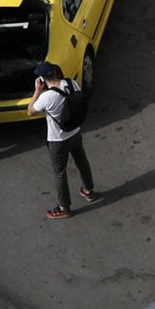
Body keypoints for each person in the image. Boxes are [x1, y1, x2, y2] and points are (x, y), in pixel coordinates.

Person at [36, 62, 97, 217]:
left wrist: (37, 91)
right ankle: (88, 190)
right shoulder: (72, 83)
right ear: (56, 73)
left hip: (57, 139)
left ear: (43, 79)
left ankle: (64, 208)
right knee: (82, 161)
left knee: (59, 173)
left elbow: (30, 111)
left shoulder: (47, 97)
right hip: (75, 133)